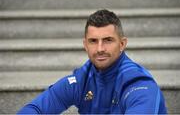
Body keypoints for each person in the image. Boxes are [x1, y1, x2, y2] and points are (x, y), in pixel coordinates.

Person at [17, 9, 167, 114]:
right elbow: (35, 109)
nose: (100, 48)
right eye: (93, 41)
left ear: (122, 44)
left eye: (108, 40)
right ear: (85, 45)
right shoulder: (82, 79)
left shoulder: (138, 84)